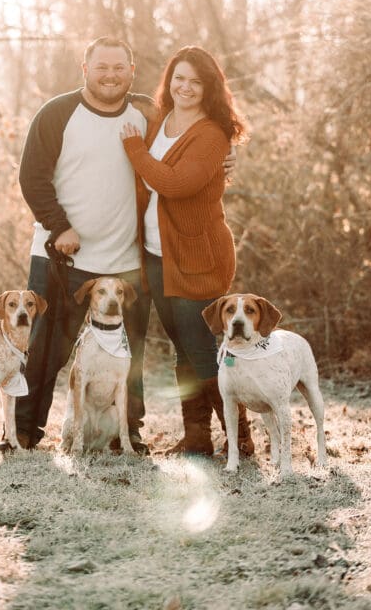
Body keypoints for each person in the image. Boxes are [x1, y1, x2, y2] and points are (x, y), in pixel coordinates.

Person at [0, 36, 154, 453]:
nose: (110, 75)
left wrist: (226, 157)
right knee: (44, 350)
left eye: (119, 67)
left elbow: (182, 146)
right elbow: (31, 177)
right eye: (101, 67)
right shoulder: (57, 114)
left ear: (131, 72)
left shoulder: (145, 116)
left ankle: (127, 434)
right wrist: (58, 225)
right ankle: (23, 434)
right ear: (85, 70)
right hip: (61, 256)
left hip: (124, 263)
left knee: (128, 355)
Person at [120, 45, 253, 457]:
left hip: (198, 257)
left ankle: (240, 438)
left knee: (200, 348)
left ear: (210, 87)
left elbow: (177, 184)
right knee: (182, 347)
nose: (186, 87)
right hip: (160, 256)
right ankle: (197, 439)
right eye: (179, 78)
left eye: (196, 81)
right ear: (169, 80)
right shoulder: (161, 119)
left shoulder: (213, 134)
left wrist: (136, 152)